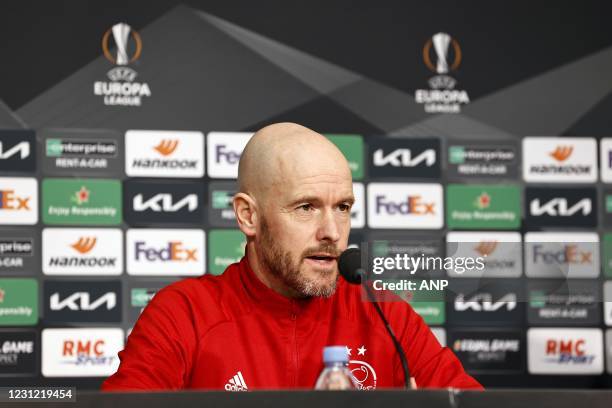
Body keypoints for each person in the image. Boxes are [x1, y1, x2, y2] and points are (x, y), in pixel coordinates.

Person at [102, 122, 482, 391]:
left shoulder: (383, 312)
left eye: (344, 207)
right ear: (248, 216)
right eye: (306, 207)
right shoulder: (184, 313)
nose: (332, 232)